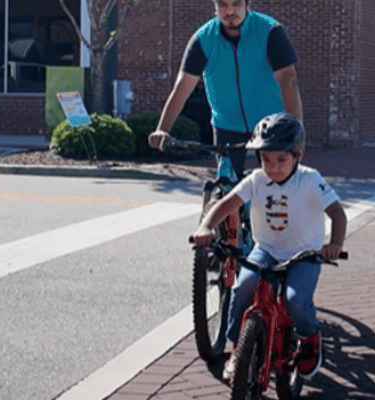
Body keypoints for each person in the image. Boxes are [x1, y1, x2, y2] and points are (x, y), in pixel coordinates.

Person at [190, 113, 346, 380]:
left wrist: (334, 244)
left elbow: (338, 215)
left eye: (281, 160)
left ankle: (310, 338)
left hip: (303, 254)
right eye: (266, 159)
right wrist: (205, 226)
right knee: (243, 288)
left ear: (299, 154)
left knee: (295, 300)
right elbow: (226, 203)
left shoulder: (310, 179)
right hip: (266, 250)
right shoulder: (256, 180)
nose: (273, 167)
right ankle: (238, 348)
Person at [146, 0, 303, 170]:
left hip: (270, 126)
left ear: (246, 5)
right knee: (224, 187)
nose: (230, 11)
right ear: (215, 7)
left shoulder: (269, 31)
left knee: (272, 188)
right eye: (223, 5)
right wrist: (162, 130)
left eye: (236, 4)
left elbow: (289, 83)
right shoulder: (204, 39)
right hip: (227, 128)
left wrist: (295, 132)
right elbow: (182, 88)